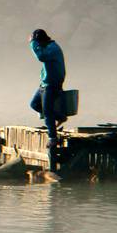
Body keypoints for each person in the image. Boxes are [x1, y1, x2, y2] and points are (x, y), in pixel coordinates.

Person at [28, 28, 67, 170]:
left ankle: (52, 138)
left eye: (38, 43)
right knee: (33, 104)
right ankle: (60, 117)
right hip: (44, 84)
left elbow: (41, 57)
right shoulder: (47, 47)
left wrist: (32, 43)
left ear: (42, 40)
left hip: (52, 84)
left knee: (48, 111)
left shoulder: (52, 48)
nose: (37, 46)